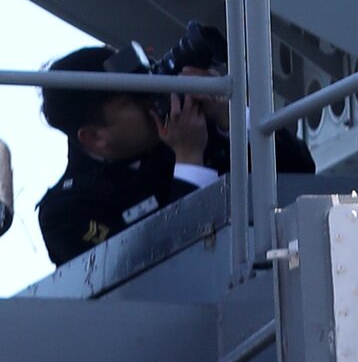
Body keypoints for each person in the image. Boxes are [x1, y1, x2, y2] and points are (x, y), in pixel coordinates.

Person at [36, 36, 314, 265]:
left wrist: (231, 118)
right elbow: (165, 270)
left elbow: (301, 171)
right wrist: (189, 161)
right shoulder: (65, 214)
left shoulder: (191, 125)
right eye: (139, 99)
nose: (159, 97)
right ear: (95, 137)